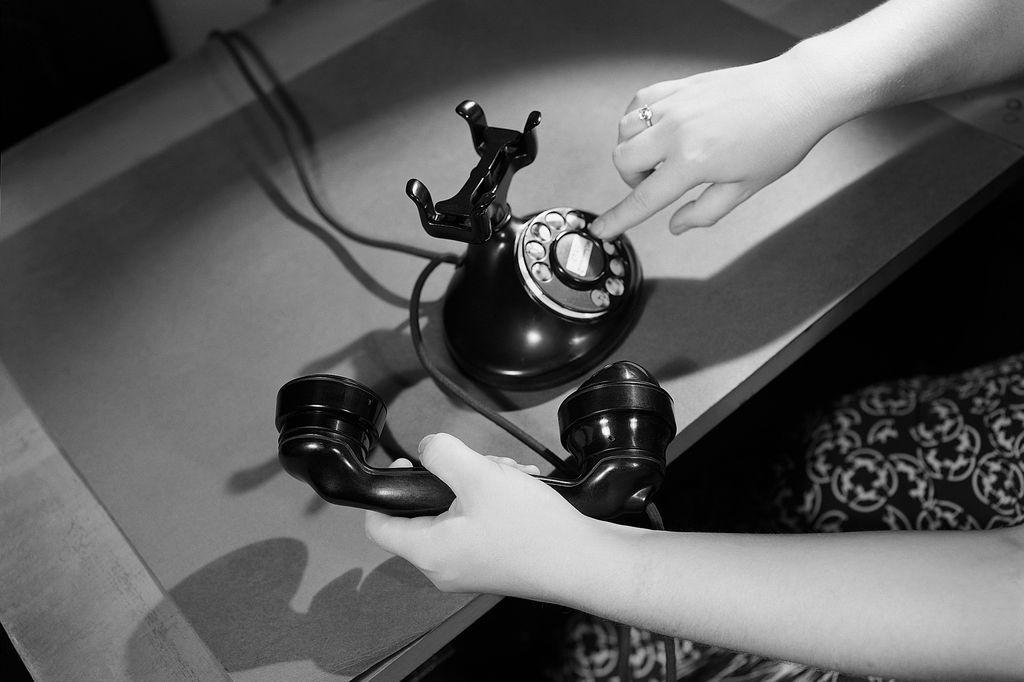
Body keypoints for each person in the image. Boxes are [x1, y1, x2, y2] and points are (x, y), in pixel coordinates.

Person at [365, 2, 1024, 679]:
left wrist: (585, 563)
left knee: (593, 659)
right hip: (961, 430)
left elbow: (1009, 589)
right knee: (817, 448)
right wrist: (809, 80)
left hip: (954, 624)